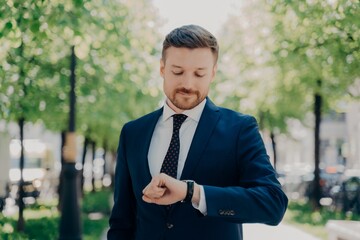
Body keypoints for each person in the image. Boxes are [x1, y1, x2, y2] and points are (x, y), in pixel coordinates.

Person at [108, 24, 288, 240]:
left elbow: (273, 204)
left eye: (199, 73)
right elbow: (121, 222)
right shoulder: (133, 133)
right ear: (162, 69)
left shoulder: (240, 129)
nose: (188, 83)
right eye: (177, 72)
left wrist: (192, 193)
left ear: (212, 73)